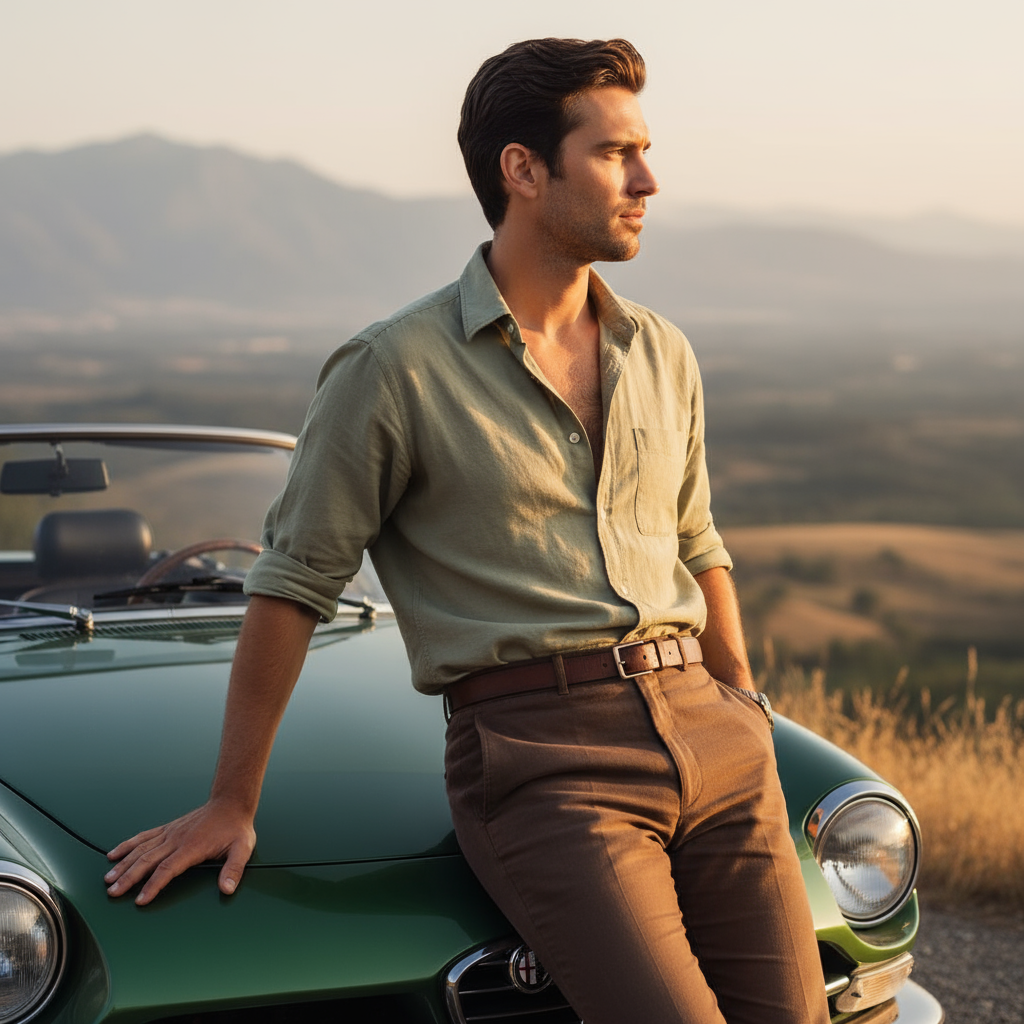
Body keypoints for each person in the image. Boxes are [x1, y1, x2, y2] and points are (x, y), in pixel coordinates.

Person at [105, 37, 829, 1024]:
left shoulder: (661, 349)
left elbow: (695, 540)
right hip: (547, 760)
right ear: (523, 170)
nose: (649, 179)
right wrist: (232, 800)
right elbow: (293, 583)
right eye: (616, 153)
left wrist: (743, 707)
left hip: (712, 733)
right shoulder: (390, 369)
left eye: (644, 150)